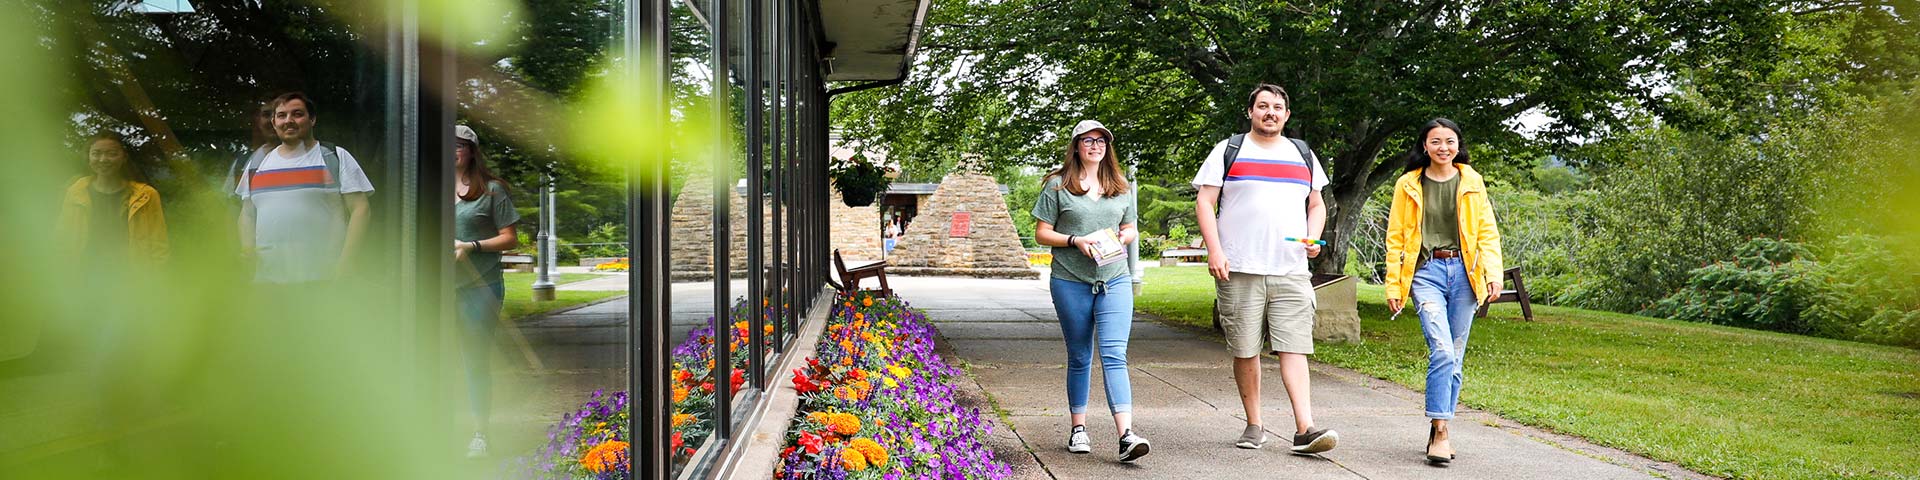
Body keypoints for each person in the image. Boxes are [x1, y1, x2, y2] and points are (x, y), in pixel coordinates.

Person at [1191, 83, 1339, 454]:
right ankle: (1254, 424)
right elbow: (1205, 202)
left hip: (1290, 269)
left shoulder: (1302, 153)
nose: (1270, 112)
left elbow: (1316, 204)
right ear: (1251, 112)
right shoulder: (1229, 150)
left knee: (1294, 347)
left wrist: (1312, 236)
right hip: (1239, 266)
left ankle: (1305, 428)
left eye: (1277, 107)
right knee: (1245, 350)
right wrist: (1215, 250)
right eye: (1262, 106)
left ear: (1286, 115)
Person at [1381, 117, 1503, 464]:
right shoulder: (1408, 184)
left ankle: (1439, 427)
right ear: (1425, 146)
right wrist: (1394, 283)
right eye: (1436, 141)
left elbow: (1486, 231)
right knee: (1443, 350)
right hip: (1426, 272)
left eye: (1450, 141)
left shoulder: (1471, 180)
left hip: (1465, 272)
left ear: (1458, 145)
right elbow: (1395, 237)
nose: (1443, 147)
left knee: (1456, 355)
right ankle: (1441, 431)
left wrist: (1493, 273)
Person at [1031, 119, 1150, 462]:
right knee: (1081, 355)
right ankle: (1078, 429)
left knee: (1114, 354)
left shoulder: (1120, 185)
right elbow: (1042, 233)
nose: (1095, 146)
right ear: (1076, 147)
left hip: (1114, 279)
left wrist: (1123, 237)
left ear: (1107, 148)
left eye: (1101, 141)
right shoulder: (1057, 186)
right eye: (1088, 141)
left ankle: (1126, 435)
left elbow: (1129, 228)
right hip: (1070, 280)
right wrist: (1075, 241)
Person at [236, 92, 374, 284]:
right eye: (282, 115)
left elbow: (361, 209)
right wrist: (247, 250)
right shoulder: (257, 163)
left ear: (312, 119)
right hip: (267, 282)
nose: (288, 121)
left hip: (323, 279)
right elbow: (247, 214)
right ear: (274, 123)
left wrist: (346, 262)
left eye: (297, 114)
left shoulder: (334, 156)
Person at [451, 124, 520, 458]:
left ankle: (480, 433)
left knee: (474, 359)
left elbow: (510, 238)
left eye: (458, 145)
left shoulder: (492, 190)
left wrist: (471, 245)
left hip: (480, 288)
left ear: (471, 151)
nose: (451, 151)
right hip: (438, 289)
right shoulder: (426, 190)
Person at [58, 132, 169, 268]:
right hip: (83, 275)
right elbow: (63, 238)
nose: (103, 159)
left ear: (124, 158)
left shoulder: (146, 195)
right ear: (88, 157)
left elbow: (159, 243)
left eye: (112, 153)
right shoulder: (76, 192)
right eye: (96, 153)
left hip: (131, 277)